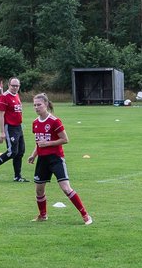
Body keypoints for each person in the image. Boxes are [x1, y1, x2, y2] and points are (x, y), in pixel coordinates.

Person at [26, 92, 92, 225]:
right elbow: (38, 142)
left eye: (39, 105)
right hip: (42, 160)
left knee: (66, 188)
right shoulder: (35, 123)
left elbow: (65, 139)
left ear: (46, 104)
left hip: (55, 158)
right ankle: (43, 215)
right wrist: (34, 155)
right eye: (34, 105)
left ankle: (85, 215)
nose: (36, 107)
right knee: (39, 189)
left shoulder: (54, 121)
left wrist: (48, 144)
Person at [0, 77, 29, 183]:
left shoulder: (17, 95)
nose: (15, 88)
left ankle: (17, 176)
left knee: (20, 152)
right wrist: (2, 132)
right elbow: (1, 115)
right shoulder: (4, 97)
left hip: (18, 127)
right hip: (10, 127)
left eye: (17, 86)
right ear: (9, 85)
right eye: (13, 85)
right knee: (12, 152)